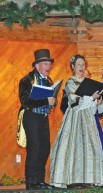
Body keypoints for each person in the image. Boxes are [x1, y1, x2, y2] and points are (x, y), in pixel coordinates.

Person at [50, 54, 103, 188]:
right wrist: (90, 98)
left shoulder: (89, 82)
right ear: (73, 67)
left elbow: (93, 107)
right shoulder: (70, 82)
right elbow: (74, 101)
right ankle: (72, 179)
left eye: (83, 65)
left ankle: (88, 178)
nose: (81, 67)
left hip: (88, 118)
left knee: (89, 147)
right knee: (73, 147)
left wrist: (97, 101)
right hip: (74, 118)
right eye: (78, 65)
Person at [18, 49, 56, 190]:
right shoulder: (26, 80)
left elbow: (51, 99)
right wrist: (45, 100)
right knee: (34, 148)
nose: (48, 67)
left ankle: (39, 180)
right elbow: (25, 101)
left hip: (43, 117)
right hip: (31, 117)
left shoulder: (48, 81)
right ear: (37, 66)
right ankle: (31, 181)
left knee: (44, 148)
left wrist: (53, 101)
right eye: (46, 64)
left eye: (49, 64)